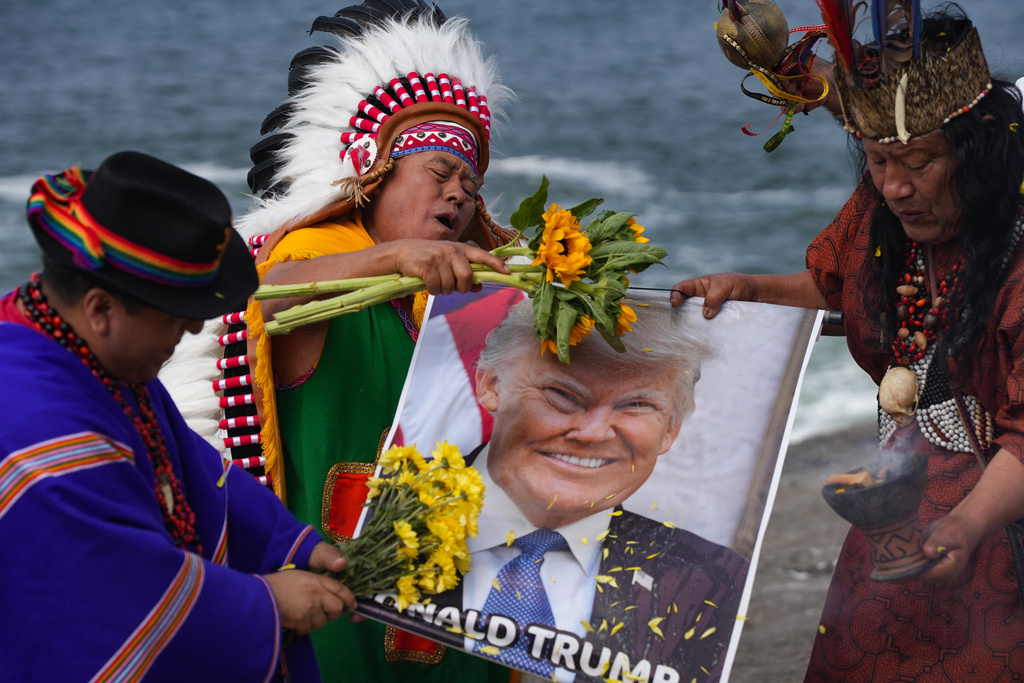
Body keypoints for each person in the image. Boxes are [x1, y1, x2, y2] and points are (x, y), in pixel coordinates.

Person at [156, 2, 515, 681]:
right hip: (338, 617)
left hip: (452, 613)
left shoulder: (463, 298)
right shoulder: (318, 253)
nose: (460, 195)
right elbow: (261, 294)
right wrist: (394, 257)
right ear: (373, 172)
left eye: (471, 184)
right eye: (439, 172)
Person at [673, 4, 1024, 680]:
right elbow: (837, 283)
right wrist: (747, 287)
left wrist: (966, 525)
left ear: (978, 147)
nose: (895, 187)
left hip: (999, 537)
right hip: (892, 524)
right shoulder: (885, 212)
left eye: (919, 162)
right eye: (877, 160)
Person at [0, 151, 358, 682]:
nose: (193, 330)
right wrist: (267, 604)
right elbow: (114, 596)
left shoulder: (71, 341)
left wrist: (288, 542)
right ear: (100, 309)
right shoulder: (39, 427)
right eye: (176, 314)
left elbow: (187, 466)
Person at [428, 298, 748, 683]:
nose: (593, 433)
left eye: (637, 404)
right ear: (491, 385)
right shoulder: (378, 505)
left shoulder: (713, 580)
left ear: (670, 430)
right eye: (562, 394)